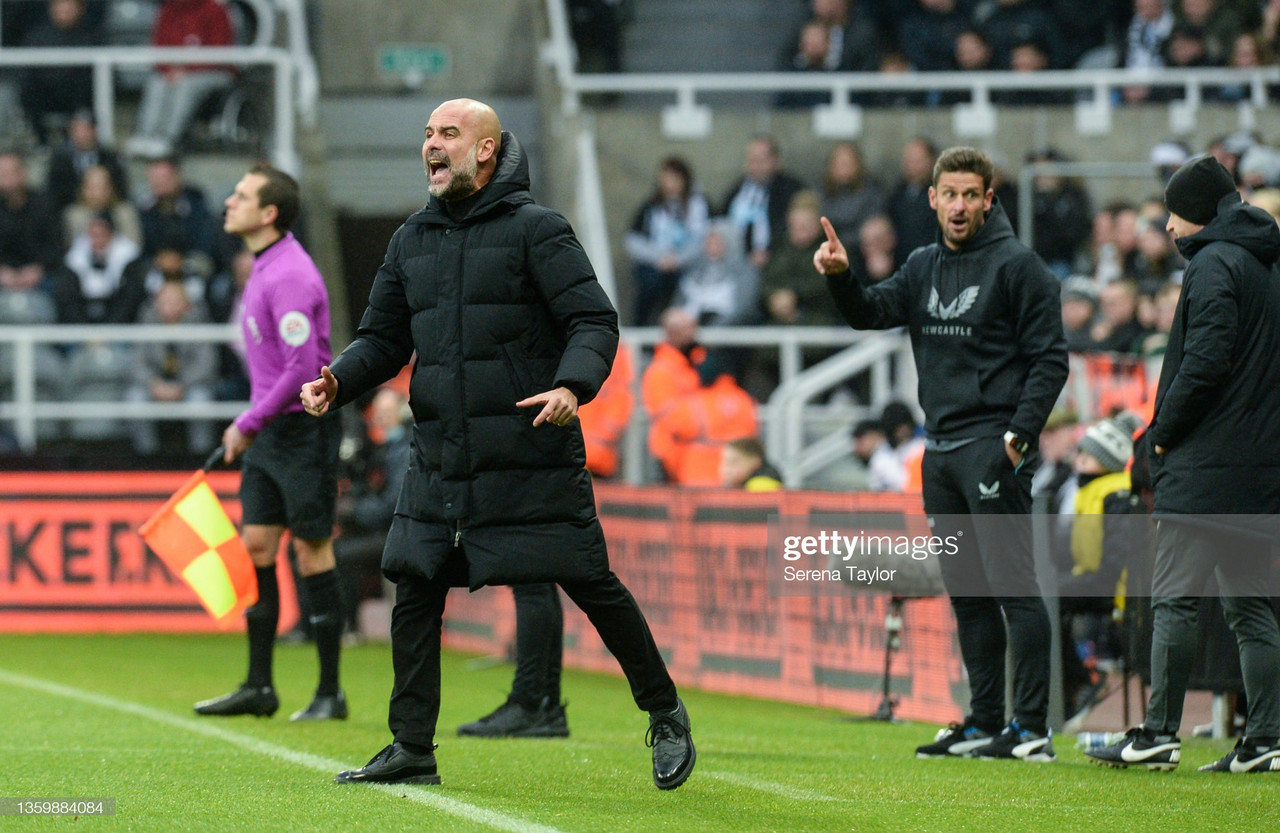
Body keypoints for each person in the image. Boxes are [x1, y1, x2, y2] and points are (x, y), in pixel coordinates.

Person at [300, 99, 695, 790]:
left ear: (485, 151)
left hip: (529, 447)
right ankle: (411, 745)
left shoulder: (538, 230)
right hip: (443, 455)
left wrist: (573, 385)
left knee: (590, 582)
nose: (431, 144)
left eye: (447, 134)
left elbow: (594, 322)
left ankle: (663, 712)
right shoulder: (410, 239)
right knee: (415, 585)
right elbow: (384, 337)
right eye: (426, 134)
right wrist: (340, 379)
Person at [816, 146, 1069, 762]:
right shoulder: (923, 263)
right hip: (942, 453)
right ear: (931, 199)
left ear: (988, 199)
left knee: (1014, 588)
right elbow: (871, 314)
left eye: (969, 195)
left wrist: (1018, 437)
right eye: (947, 194)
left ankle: (1031, 728)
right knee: (970, 595)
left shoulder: (1019, 266)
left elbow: (1051, 359)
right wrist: (841, 276)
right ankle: (984, 722)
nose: (958, 206)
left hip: (991, 449)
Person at [1086, 154, 1280, 774]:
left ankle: (1157, 733)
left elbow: (1205, 362)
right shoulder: (1263, 266)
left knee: (1172, 602)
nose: (1168, 228)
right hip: (1255, 470)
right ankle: (1266, 740)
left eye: (1173, 213)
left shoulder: (1213, 264)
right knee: (1251, 608)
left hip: (1206, 469)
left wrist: (1161, 435)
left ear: (1196, 213)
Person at [192, 164, 347, 724]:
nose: (229, 202)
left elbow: (304, 366)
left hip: (300, 430)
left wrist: (247, 422)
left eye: (241, 195)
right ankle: (260, 685)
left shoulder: (289, 275)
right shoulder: (263, 267)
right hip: (268, 430)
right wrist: (255, 423)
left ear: (269, 213)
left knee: (311, 550)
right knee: (258, 544)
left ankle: (330, 691)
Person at [125, 0, 236, 160]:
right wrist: (169, 70)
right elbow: (158, 46)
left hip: (214, 71)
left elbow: (220, 50)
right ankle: (145, 134)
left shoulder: (215, 9)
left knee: (185, 85)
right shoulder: (168, 9)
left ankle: (168, 138)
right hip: (174, 71)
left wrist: (187, 69)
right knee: (157, 82)